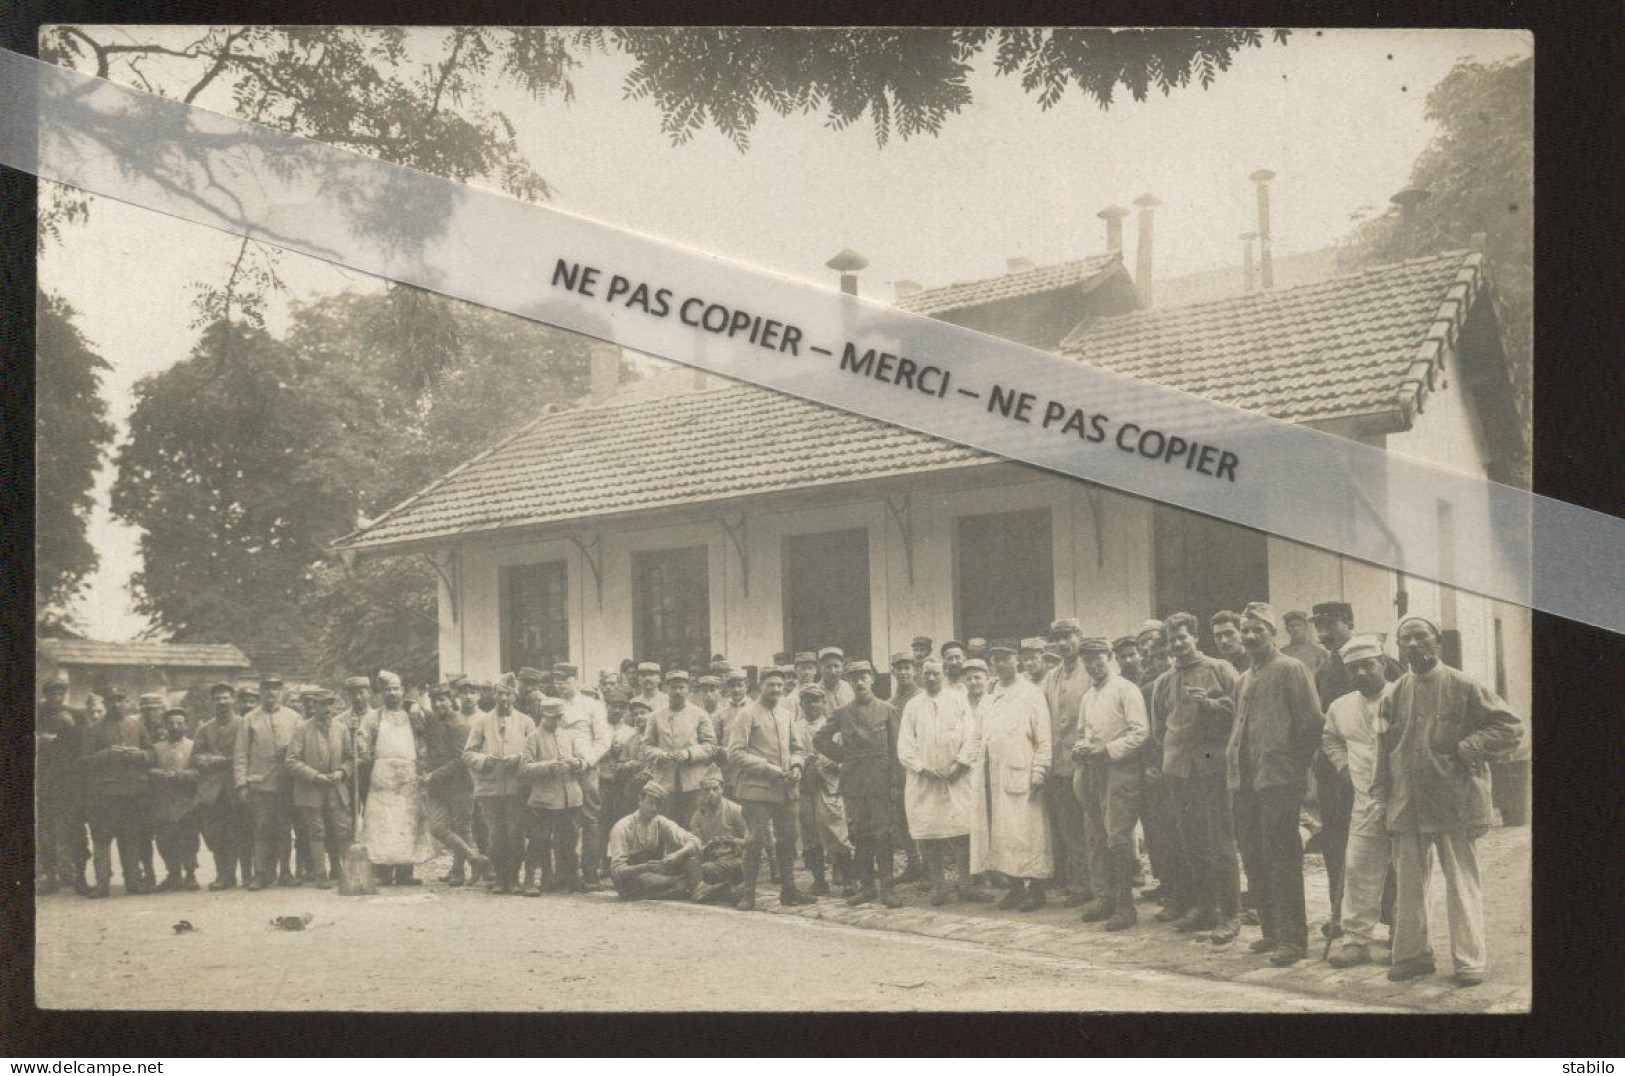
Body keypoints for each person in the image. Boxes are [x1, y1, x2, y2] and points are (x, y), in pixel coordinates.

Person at [1378, 616, 1523, 988]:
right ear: (1398, 646)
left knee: (1461, 883)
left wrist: (1470, 745)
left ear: (1437, 641)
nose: (1413, 644)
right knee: (1408, 885)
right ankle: (1413, 956)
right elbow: (1385, 749)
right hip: (1406, 804)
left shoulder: (1463, 685)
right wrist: (1383, 798)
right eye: (1405, 638)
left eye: (1420, 636)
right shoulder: (1393, 692)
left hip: (1454, 801)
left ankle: (1469, 961)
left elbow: (1510, 726)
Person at [1227, 603, 1324, 967]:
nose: (1251, 636)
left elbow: (1312, 724)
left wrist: (1293, 770)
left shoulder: (1291, 669)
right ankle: (1270, 931)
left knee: (1282, 859)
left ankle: (1293, 940)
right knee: (1254, 857)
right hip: (1246, 783)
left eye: (1259, 630)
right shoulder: (1243, 678)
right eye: (1246, 630)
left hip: (1278, 781)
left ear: (1273, 634)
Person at [1308, 600, 1403, 940]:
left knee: (1386, 848)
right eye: (1317, 627)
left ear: (1348, 623)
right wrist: (1340, 767)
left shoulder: (1384, 663)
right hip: (1339, 778)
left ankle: (1394, 918)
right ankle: (1341, 915)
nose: (1322, 633)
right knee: (1339, 848)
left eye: (1329, 625)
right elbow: (1325, 727)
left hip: (1381, 777)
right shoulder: (1323, 669)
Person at [1150, 612, 1243, 944]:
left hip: (1211, 766)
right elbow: (1159, 728)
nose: (1177, 644)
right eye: (1172, 640)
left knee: (1219, 841)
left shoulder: (1219, 669)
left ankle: (1232, 913)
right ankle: (1205, 907)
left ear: (1195, 638)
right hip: (1178, 770)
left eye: (1182, 637)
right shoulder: (1163, 682)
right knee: (1191, 841)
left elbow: (1240, 712)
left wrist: (1213, 707)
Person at [1320, 636, 1397, 968]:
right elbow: (1330, 738)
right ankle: (1355, 939)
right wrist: (1343, 768)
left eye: (1368, 665)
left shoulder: (1403, 695)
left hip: (1404, 799)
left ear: (1382, 663)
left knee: (1407, 870)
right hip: (1363, 800)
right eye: (1354, 668)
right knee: (1358, 867)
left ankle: (1406, 937)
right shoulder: (1341, 706)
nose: (1362, 673)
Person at [896, 658, 990, 906]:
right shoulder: (913, 706)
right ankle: (939, 887)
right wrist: (922, 768)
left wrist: (959, 764)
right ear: (920, 675)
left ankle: (967, 885)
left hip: (957, 779)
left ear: (944, 675)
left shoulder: (958, 700)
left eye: (935, 673)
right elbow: (904, 746)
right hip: (924, 782)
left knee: (962, 833)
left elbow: (972, 736)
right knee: (931, 835)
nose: (930, 678)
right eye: (926, 674)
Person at [1072, 638, 1150, 931]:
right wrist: (1081, 747)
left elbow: (1141, 732)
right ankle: (1105, 897)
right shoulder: (1088, 696)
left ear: (1110, 657)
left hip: (1120, 770)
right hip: (1092, 770)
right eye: (1088, 660)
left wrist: (1107, 750)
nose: (1094, 665)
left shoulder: (1126, 690)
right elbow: (1082, 731)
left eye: (1098, 659)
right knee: (1096, 836)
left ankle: (1125, 905)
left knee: (1117, 837)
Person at [725, 667, 816, 911]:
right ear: (760, 686)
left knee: (788, 839)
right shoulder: (746, 714)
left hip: (787, 788)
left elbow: (798, 748)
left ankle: (789, 891)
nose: (776, 689)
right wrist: (767, 768)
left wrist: (796, 765)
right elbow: (735, 753)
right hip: (757, 789)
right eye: (771, 685)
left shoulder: (786, 715)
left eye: (779, 685)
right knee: (754, 841)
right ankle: (749, 894)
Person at [972, 641, 1054, 912]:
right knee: (1005, 835)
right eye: (995, 660)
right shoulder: (991, 695)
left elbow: (1043, 736)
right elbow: (981, 733)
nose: (1000, 664)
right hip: (995, 775)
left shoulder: (1031, 693)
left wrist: (1040, 770)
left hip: (1023, 772)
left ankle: (1037, 890)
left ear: (1017, 660)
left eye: (1005, 659)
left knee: (1029, 833)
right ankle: (1016, 887)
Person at [814, 661, 902, 908]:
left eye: (864, 677)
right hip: (854, 781)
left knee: (883, 833)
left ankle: (888, 888)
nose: (859, 682)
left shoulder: (888, 710)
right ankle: (866, 887)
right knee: (859, 833)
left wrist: (896, 782)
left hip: (880, 780)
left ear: (872, 679)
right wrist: (845, 756)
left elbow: (897, 750)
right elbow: (819, 739)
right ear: (849, 682)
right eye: (854, 679)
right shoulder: (843, 712)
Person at [360, 670, 434, 885]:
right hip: (382, 777)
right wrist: (363, 749)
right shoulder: (373, 717)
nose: (392, 693)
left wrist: (421, 767)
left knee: (407, 822)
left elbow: (423, 740)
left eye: (396, 688)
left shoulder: (412, 715)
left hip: (408, 776)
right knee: (383, 822)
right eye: (388, 690)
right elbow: (362, 741)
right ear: (382, 693)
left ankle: (405, 872)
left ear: (402, 691)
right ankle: (382, 872)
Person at [80, 691, 156, 897]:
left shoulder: (136, 725)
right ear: (106, 703)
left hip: (133, 794)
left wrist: (138, 754)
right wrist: (107, 754)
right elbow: (85, 762)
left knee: (131, 838)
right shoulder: (94, 729)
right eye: (112, 700)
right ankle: (102, 884)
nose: (116, 704)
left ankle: (132, 882)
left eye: (120, 700)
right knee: (103, 839)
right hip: (106, 796)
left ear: (127, 702)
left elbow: (152, 754)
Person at [233, 674, 305, 890]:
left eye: (275, 689)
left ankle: (285, 873)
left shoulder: (294, 718)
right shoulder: (250, 719)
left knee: (284, 829)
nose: (271, 693)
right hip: (260, 784)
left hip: (286, 783)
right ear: (261, 693)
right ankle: (260, 874)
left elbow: (302, 750)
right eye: (266, 689)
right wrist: (241, 784)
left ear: (281, 692)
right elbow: (241, 754)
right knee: (261, 829)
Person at [463, 673, 532, 895]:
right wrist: (484, 760)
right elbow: (468, 752)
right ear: (493, 694)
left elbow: (534, 752)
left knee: (515, 833)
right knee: (495, 835)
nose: (503, 698)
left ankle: (513, 878)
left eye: (508, 694)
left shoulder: (526, 722)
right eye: (500, 693)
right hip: (490, 787)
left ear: (515, 696)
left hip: (516, 787)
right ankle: (500, 878)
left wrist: (519, 759)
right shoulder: (482, 722)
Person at [1040, 618, 1091, 907]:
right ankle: (1080, 883)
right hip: (1059, 766)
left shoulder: (1092, 670)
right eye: (1057, 638)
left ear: (1079, 636)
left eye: (1067, 637)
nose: (1062, 643)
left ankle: (1100, 883)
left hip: (1087, 764)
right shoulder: (1052, 677)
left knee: (1093, 827)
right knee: (1070, 828)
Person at [284, 688, 354, 889]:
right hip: (311, 789)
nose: (327, 709)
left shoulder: (341, 729)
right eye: (323, 704)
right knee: (316, 832)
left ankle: (345, 871)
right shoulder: (301, 730)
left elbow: (350, 758)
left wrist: (342, 771)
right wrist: (315, 776)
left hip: (336, 789)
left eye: (330, 704)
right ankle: (320, 874)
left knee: (342, 830)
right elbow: (291, 761)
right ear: (314, 706)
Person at [519, 697, 587, 894]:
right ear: (544, 716)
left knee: (569, 840)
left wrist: (577, 763)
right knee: (538, 840)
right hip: (544, 800)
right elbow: (524, 768)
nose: (557, 721)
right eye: (553, 718)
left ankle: (568, 879)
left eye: (560, 717)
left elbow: (584, 762)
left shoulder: (569, 737)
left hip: (570, 798)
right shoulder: (534, 737)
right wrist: (548, 766)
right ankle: (530, 880)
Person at [422, 683, 488, 887]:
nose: (439, 704)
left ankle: (458, 872)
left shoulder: (459, 725)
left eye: (443, 700)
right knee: (438, 827)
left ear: (452, 701)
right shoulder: (434, 722)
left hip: (459, 785)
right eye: (435, 701)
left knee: (461, 828)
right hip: (438, 787)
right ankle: (476, 859)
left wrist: (434, 775)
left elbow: (462, 759)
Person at [554, 663, 612, 890]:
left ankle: (589, 875)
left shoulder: (592, 706)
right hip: (560, 771)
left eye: (565, 680)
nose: (561, 685)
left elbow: (603, 740)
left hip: (585, 770)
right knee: (562, 822)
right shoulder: (553, 705)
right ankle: (565, 873)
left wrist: (586, 761)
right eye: (557, 681)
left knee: (589, 820)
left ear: (575, 681)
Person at [794, 683, 855, 896]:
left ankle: (848, 879)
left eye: (816, 700)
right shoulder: (795, 727)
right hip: (805, 787)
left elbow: (847, 755)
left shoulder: (832, 727)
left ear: (823, 703)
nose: (812, 705)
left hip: (829, 786)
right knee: (809, 834)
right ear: (801, 704)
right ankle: (819, 880)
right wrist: (802, 760)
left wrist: (835, 764)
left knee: (836, 830)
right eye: (807, 701)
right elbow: (790, 753)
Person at [641, 668, 719, 828]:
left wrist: (689, 753)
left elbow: (711, 745)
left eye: (681, 687)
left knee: (692, 824)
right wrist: (659, 754)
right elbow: (646, 746)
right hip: (665, 781)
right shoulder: (655, 716)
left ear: (688, 689)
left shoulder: (700, 714)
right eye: (673, 687)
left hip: (693, 782)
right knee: (666, 824)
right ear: (665, 689)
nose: (677, 691)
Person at [193, 682, 251, 890]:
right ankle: (223, 876)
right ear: (212, 702)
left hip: (237, 787)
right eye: (218, 699)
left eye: (226, 698)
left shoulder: (244, 723)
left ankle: (246, 875)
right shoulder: (205, 728)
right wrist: (210, 760)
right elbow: (196, 756)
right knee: (216, 835)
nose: (222, 702)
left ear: (233, 699)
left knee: (241, 833)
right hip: (214, 790)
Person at [36, 673, 88, 895]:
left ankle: (78, 874)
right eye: (52, 693)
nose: (57, 697)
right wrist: (38, 739)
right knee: (46, 829)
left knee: (75, 827)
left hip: (72, 780)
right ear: (45, 694)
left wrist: (72, 728)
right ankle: (50, 875)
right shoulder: (36, 715)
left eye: (60, 692)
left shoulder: (76, 715)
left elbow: (86, 742)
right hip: (47, 780)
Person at [607, 782, 702, 900]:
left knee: (690, 856)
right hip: (633, 876)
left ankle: (687, 887)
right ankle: (692, 886)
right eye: (650, 803)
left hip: (656, 873)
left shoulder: (660, 822)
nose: (654, 808)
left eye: (658, 805)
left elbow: (694, 841)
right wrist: (645, 867)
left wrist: (677, 855)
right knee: (667, 883)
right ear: (640, 800)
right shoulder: (622, 827)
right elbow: (617, 871)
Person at [149, 707, 201, 891]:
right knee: (165, 840)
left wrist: (179, 775)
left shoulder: (194, 746)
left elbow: (199, 772)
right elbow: (148, 770)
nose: (175, 726)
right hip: (163, 802)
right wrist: (158, 774)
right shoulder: (156, 747)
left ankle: (190, 875)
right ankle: (173, 875)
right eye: (171, 723)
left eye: (179, 723)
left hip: (186, 802)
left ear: (186, 726)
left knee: (188, 840)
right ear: (165, 726)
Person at [885, 652, 925, 883]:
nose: (903, 672)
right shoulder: (889, 704)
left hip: (921, 766)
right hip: (898, 769)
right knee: (902, 817)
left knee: (924, 815)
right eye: (898, 668)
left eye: (907, 667)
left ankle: (929, 866)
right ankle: (913, 863)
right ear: (892, 671)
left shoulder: (922, 698)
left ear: (915, 669)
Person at [687, 774, 748, 904]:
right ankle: (721, 891)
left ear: (722, 789)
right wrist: (706, 847)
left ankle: (709, 890)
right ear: (702, 792)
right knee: (690, 864)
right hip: (710, 860)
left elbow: (750, 842)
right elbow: (693, 843)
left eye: (715, 789)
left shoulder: (735, 810)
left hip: (734, 861)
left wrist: (732, 841)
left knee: (701, 871)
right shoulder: (698, 814)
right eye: (707, 790)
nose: (711, 793)